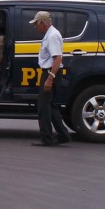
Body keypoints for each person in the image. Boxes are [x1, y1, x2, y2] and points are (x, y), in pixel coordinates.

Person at [29, 10, 71, 146]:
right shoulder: (51, 34)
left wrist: (50, 78)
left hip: (50, 73)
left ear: (42, 23)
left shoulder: (52, 36)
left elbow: (57, 58)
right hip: (50, 72)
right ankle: (63, 134)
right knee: (50, 106)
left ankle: (46, 138)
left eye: (36, 24)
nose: (35, 27)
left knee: (43, 107)